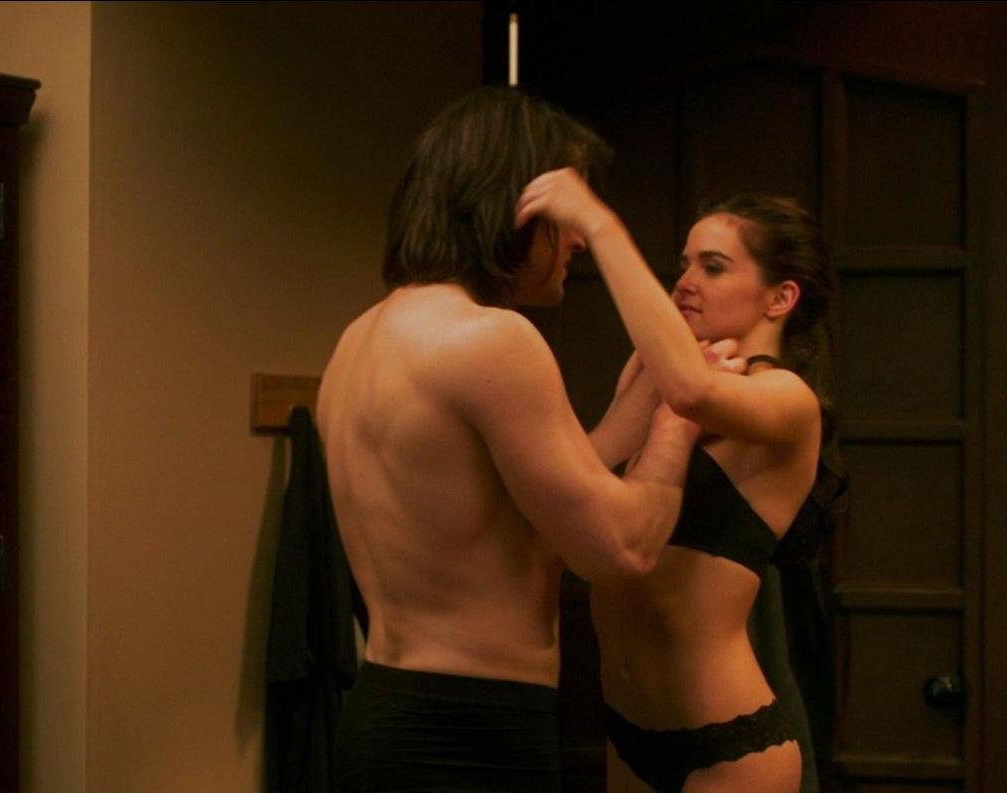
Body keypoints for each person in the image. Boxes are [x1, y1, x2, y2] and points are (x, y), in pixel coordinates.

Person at [317, 87, 730, 792]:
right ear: (510, 207)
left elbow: (526, 511)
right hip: (469, 735)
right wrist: (677, 424)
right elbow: (620, 548)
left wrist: (644, 398)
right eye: (567, 215)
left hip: (388, 711)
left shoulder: (360, 340)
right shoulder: (495, 340)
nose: (576, 240)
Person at [517, 179, 838, 793]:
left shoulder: (786, 399)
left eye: (712, 267)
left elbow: (694, 393)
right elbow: (580, 483)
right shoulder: (653, 376)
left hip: (727, 743)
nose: (686, 281)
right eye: (684, 264)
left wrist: (600, 225)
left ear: (780, 298)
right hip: (629, 730)